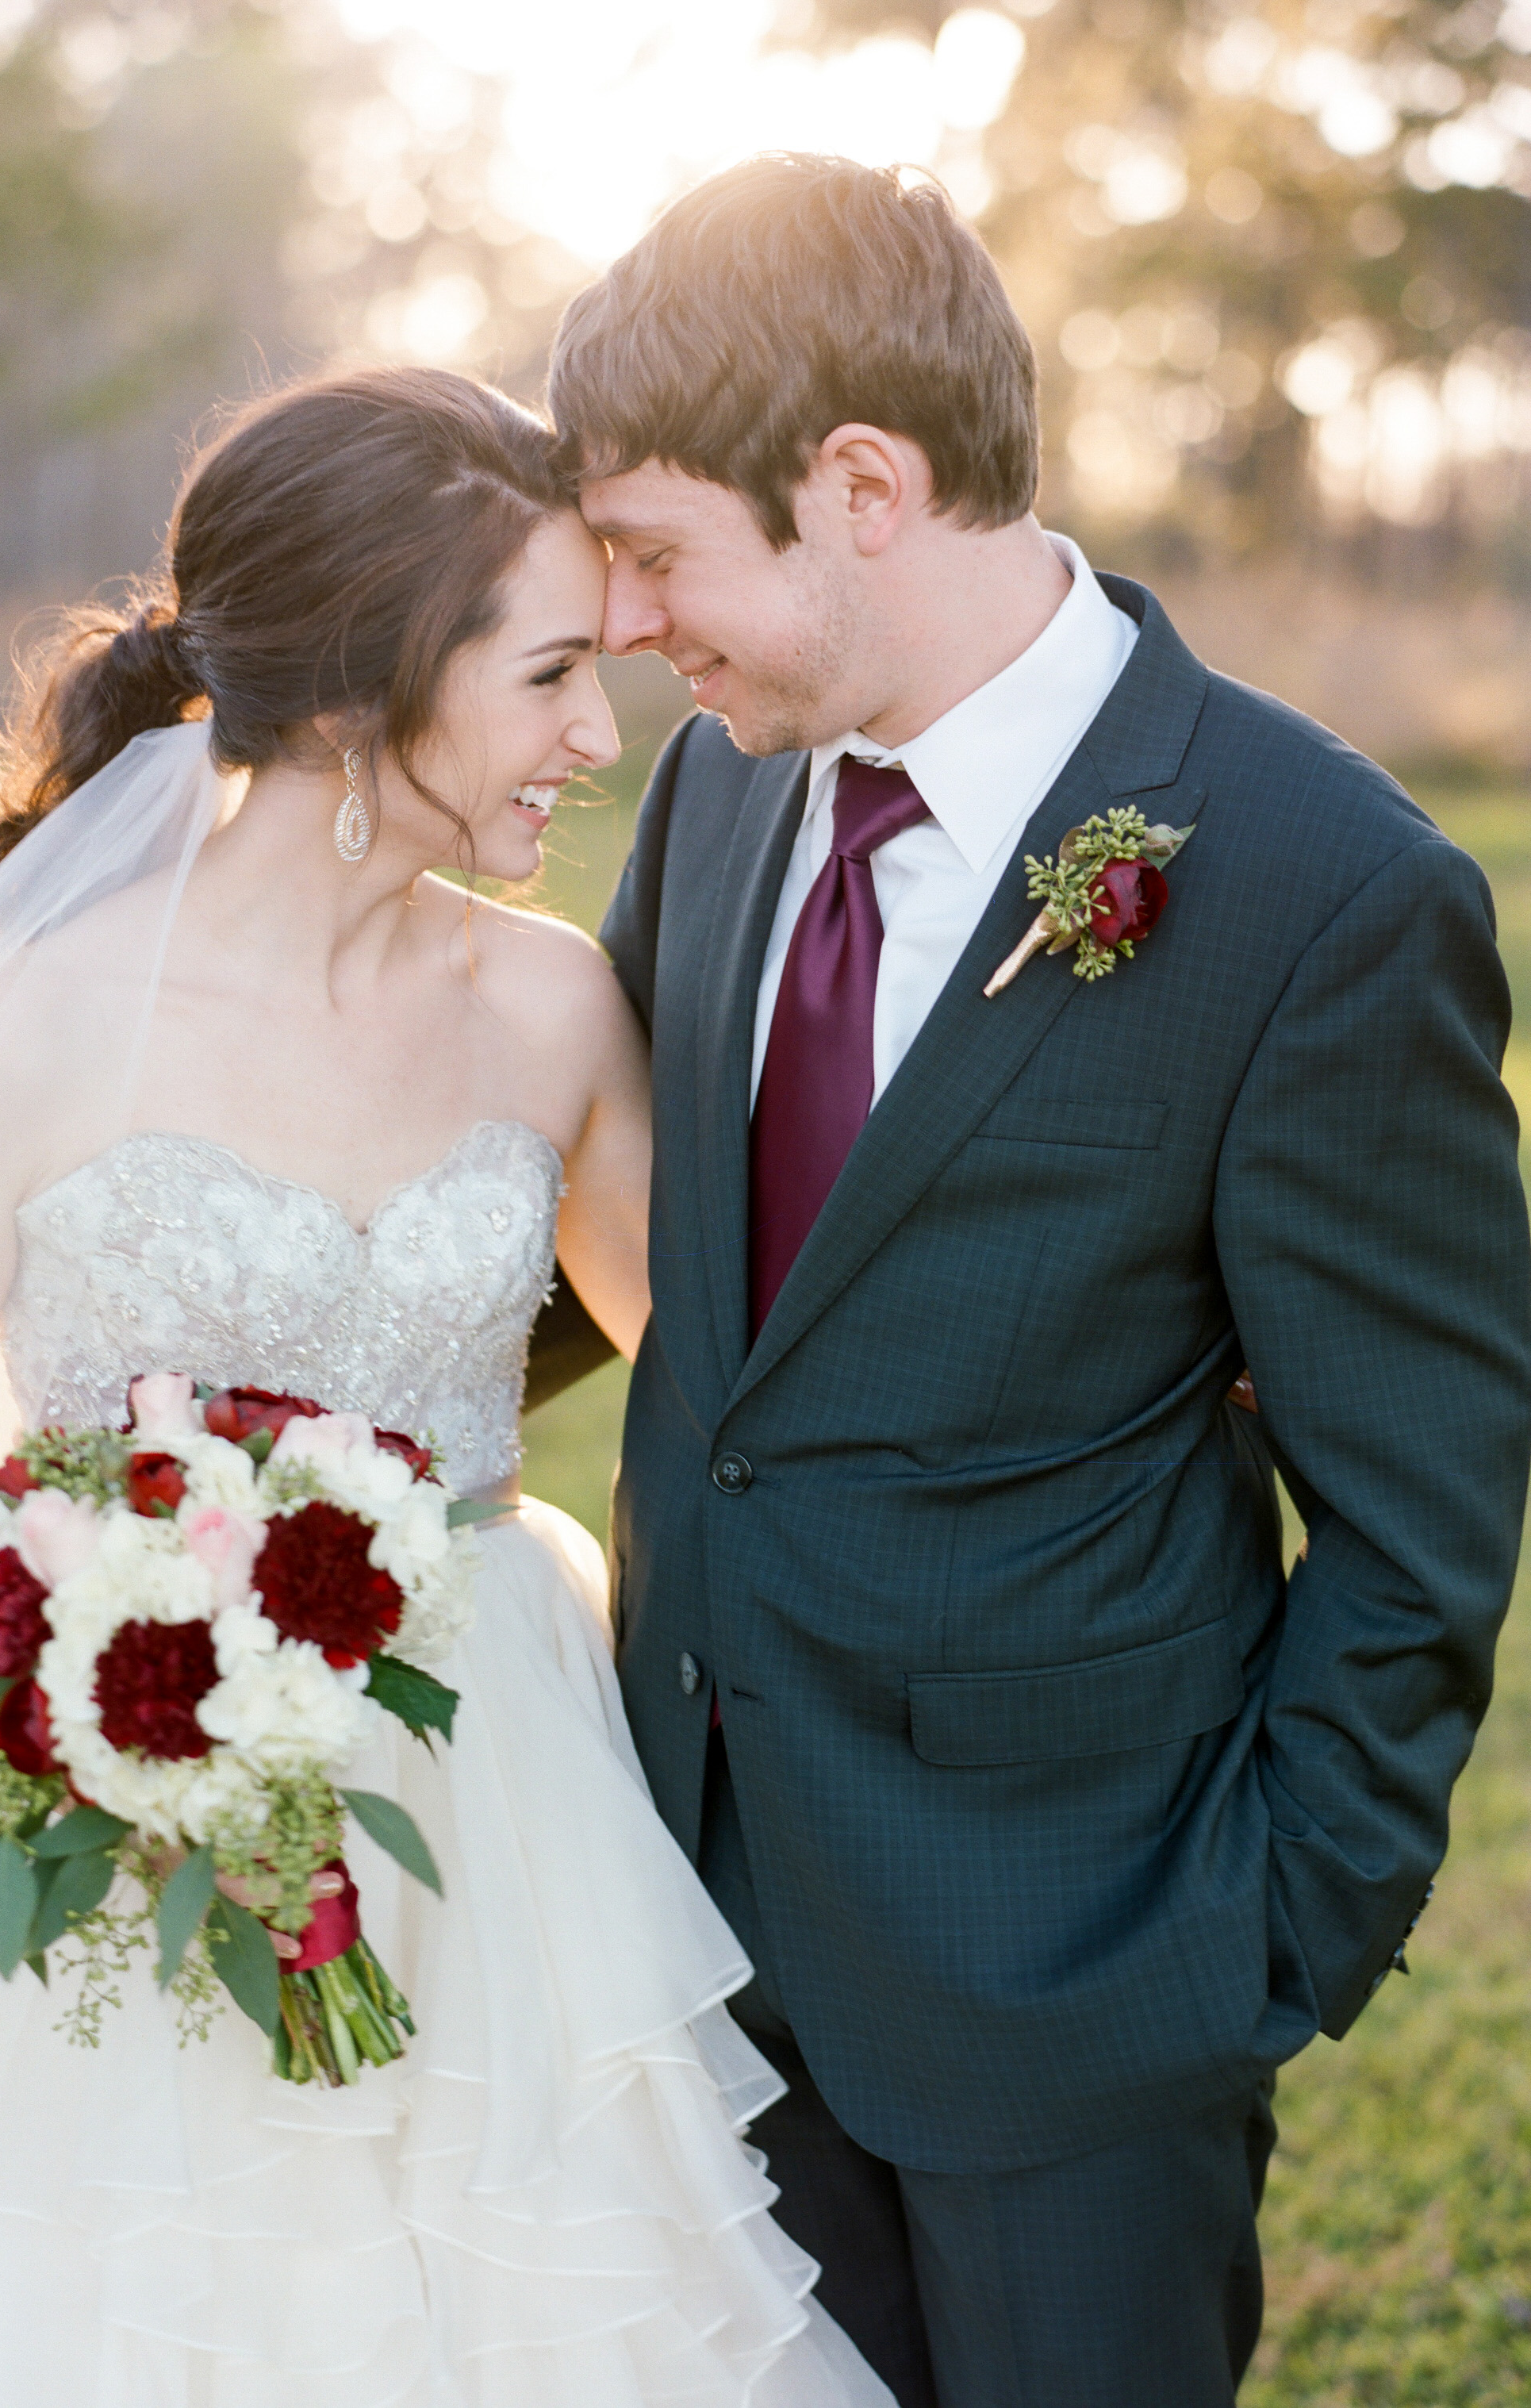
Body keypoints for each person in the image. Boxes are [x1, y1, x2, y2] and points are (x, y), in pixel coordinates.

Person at [0, 367, 895, 2406]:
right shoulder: (36, 1027)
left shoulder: (549, 1004)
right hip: (105, 1822)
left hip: (504, 1824)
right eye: (548, 669)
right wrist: (108, 1756)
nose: (594, 727)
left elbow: (734, 1375)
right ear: (377, 678)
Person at [545, 153, 1531, 2407]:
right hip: (692, 1921)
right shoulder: (717, 805)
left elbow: (1421, 1505)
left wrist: (1268, 1926)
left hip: (1083, 1984)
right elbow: (629, 1258)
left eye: (656, 547)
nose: (624, 619)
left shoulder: (1321, 890)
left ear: (862, 485)